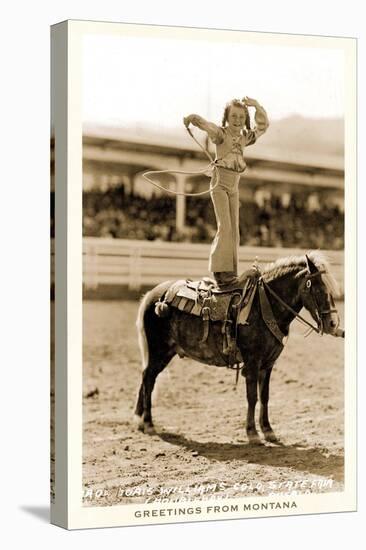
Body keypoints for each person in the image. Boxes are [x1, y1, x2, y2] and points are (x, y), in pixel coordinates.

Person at [184, 97, 269, 289]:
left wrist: (256, 106)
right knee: (226, 228)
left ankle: (231, 273)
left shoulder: (245, 137)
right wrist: (193, 118)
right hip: (220, 184)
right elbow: (208, 126)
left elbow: (263, 127)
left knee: (235, 231)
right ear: (227, 117)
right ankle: (219, 272)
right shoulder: (221, 135)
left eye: (241, 116)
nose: (237, 120)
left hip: (234, 187)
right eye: (234, 116)